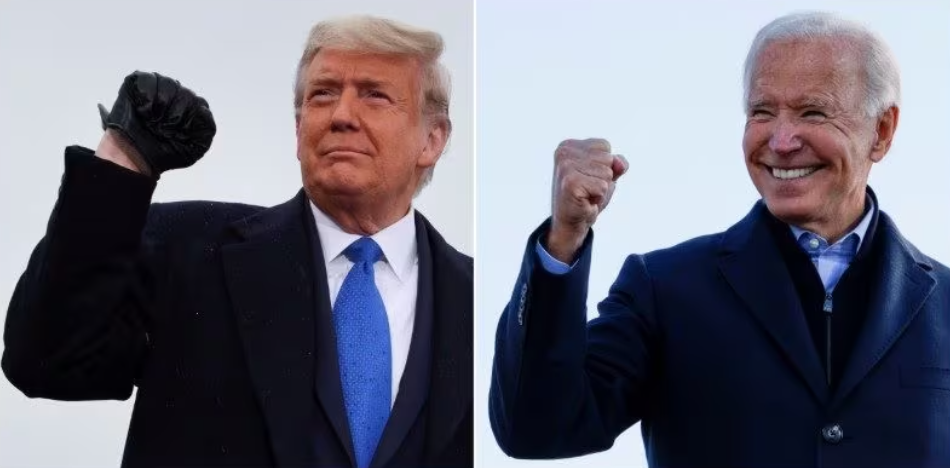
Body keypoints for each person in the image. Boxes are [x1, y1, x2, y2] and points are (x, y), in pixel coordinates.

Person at [2, 15, 472, 468]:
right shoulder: (189, 250)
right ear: (297, 129)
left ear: (432, 139)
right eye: (322, 94)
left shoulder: (482, 300)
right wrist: (123, 160)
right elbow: (45, 360)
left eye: (374, 95)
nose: (341, 115)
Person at [489, 11, 949, 468]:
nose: (782, 140)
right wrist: (564, 237)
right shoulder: (665, 289)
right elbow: (535, 428)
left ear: (882, 131)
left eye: (813, 112)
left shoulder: (944, 305)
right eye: (762, 112)